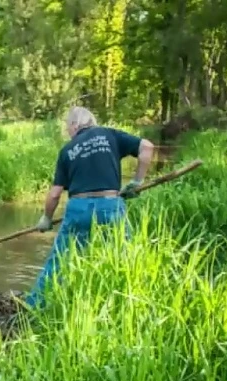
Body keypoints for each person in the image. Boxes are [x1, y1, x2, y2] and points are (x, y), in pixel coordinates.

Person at [24, 106, 154, 308]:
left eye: (68, 127)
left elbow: (55, 193)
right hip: (110, 206)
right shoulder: (110, 135)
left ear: (75, 125)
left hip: (79, 209)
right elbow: (147, 147)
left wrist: (46, 219)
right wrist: (137, 182)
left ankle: (34, 307)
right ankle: (132, 304)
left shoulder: (67, 150)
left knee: (58, 262)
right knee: (125, 257)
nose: (68, 132)